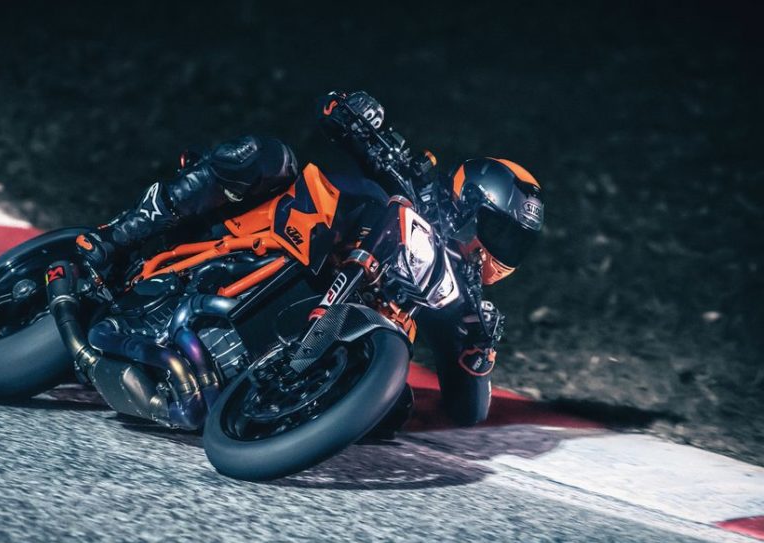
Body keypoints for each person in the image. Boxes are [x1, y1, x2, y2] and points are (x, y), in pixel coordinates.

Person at [77, 91, 545, 431]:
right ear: (469, 203)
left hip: (335, 329)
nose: (500, 248)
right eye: (499, 230)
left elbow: (468, 412)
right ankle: (113, 239)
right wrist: (354, 112)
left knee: (394, 409)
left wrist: (480, 350)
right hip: (280, 239)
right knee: (265, 157)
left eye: (514, 243)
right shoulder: (414, 181)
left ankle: (271, 401)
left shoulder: (461, 299)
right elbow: (333, 112)